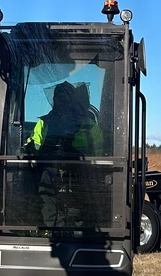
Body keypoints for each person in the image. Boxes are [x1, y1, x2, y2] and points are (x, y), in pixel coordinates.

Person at [22, 82, 103, 228]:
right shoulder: (89, 124)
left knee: (46, 196)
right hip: (81, 175)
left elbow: (33, 146)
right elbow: (101, 153)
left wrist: (26, 149)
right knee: (81, 200)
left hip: (52, 173)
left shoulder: (44, 122)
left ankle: (53, 230)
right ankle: (80, 230)